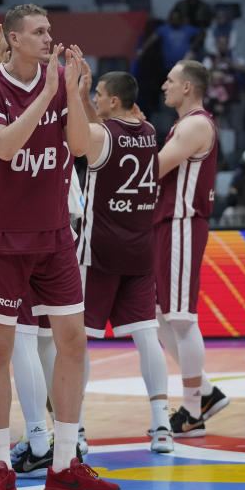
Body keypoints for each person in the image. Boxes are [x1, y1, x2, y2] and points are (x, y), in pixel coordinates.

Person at [0, 4, 119, 490]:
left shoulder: (58, 80)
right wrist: (49, 94)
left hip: (55, 235)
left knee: (72, 341)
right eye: (38, 31)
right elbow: (6, 147)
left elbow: (77, 147)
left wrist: (71, 93)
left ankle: (65, 463)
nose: (50, 38)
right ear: (13, 39)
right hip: (5, 237)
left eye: (50, 30)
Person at [77, 68, 173, 453]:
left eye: (99, 94)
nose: (96, 99)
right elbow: (113, 122)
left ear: (113, 101)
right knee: (147, 335)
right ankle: (162, 425)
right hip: (139, 250)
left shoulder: (101, 136)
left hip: (99, 251)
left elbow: (85, 137)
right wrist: (87, 97)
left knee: (75, 340)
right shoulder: (150, 134)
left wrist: (75, 93)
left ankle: (77, 429)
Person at [155, 59, 229, 437]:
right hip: (169, 225)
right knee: (159, 317)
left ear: (187, 87)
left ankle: (191, 411)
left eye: (170, 80)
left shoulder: (196, 124)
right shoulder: (183, 124)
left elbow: (154, 168)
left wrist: (126, 148)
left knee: (181, 318)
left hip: (183, 222)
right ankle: (205, 391)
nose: (163, 85)